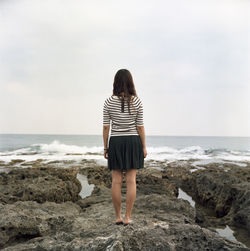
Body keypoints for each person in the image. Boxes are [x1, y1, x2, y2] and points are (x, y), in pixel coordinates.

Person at [102, 69, 147, 226]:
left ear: (115, 82)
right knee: (131, 180)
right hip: (133, 141)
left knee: (116, 181)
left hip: (116, 141)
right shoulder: (137, 101)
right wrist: (144, 147)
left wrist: (105, 147)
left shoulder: (108, 102)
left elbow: (106, 127)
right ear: (130, 82)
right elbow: (140, 127)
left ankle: (117, 217)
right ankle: (128, 217)